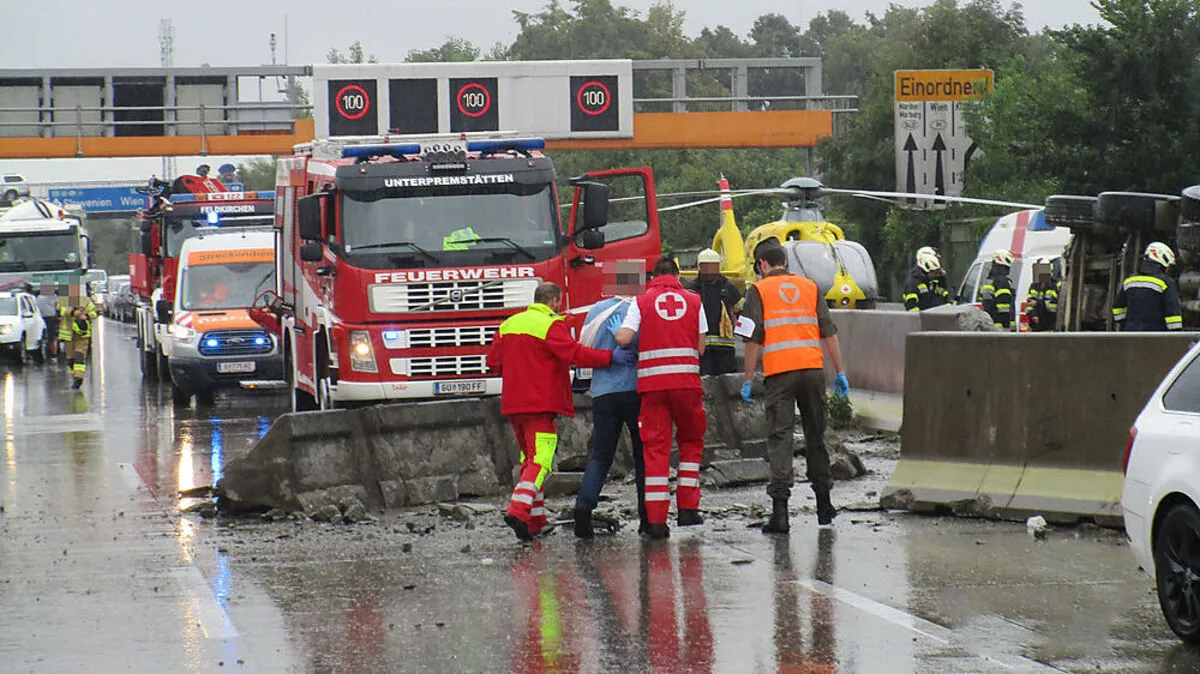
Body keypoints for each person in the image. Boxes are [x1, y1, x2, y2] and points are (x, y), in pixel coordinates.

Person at [486, 282, 635, 541]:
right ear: (554, 301)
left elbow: (493, 362)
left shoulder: (508, 324)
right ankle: (518, 510)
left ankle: (536, 520)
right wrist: (611, 358)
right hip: (540, 404)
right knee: (541, 460)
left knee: (529, 459)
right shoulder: (550, 325)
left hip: (513, 404)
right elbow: (576, 354)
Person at [737, 240, 849, 533]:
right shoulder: (810, 286)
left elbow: (751, 340)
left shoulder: (758, 291)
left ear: (762, 264)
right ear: (784, 262)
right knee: (816, 435)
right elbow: (829, 332)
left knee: (780, 438)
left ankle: (781, 514)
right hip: (812, 371)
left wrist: (748, 380)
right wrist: (840, 371)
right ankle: (824, 506)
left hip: (779, 375)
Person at [615, 258, 708, 540]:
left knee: (655, 449)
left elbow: (623, 338)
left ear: (653, 276)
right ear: (678, 275)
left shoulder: (640, 302)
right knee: (691, 442)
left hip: (653, 387)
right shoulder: (694, 300)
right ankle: (688, 510)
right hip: (687, 386)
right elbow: (701, 348)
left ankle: (656, 523)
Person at [573, 261, 647, 538]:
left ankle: (584, 506)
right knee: (643, 456)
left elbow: (584, 348)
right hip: (636, 390)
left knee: (601, 456)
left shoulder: (596, 311)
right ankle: (647, 517)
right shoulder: (641, 308)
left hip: (603, 392)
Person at [689, 248, 741, 375]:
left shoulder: (729, 287)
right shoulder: (692, 289)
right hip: (702, 348)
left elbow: (740, 312)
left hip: (726, 347)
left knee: (727, 382)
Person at [1113, 242, 1184, 332]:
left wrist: (1126, 324)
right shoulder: (1165, 283)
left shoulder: (1129, 281)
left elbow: (1117, 308)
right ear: (1163, 261)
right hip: (1155, 338)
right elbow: (1173, 317)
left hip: (1131, 335)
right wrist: (1175, 336)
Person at [58, 283, 97, 389]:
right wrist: (73, 312)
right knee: (71, 360)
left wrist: (87, 316)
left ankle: (78, 379)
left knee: (80, 357)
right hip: (69, 335)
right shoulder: (63, 300)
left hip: (82, 334)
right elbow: (61, 310)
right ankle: (75, 375)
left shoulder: (85, 300)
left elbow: (95, 312)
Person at [903, 247, 951, 311]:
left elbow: (944, 297)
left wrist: (942, 278)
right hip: (926, 319)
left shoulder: (933, 280)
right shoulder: (914, 283)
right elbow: (912, 308)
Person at [980, 249, 1016, 330]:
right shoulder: (1002, 282)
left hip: (989, 325)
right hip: (1001, 328)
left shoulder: (988, 281)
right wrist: (1006, 326)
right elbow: (1004, 307)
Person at [1025, 258, 1060, 332]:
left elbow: (1053, 306)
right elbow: (1029, 304)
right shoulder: (1034, 286)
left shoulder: (1054, 286)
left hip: (1049, 326)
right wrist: (1033, 315)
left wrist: (1037, 303)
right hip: (1035, 326)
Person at [36, 284, 60, 359]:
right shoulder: (54, 296)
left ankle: (45, 351)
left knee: (43, 335)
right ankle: (54, 354)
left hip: (41, 317)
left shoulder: (38, 298)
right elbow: (58, 306)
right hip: (51, 317)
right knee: (52, 337)